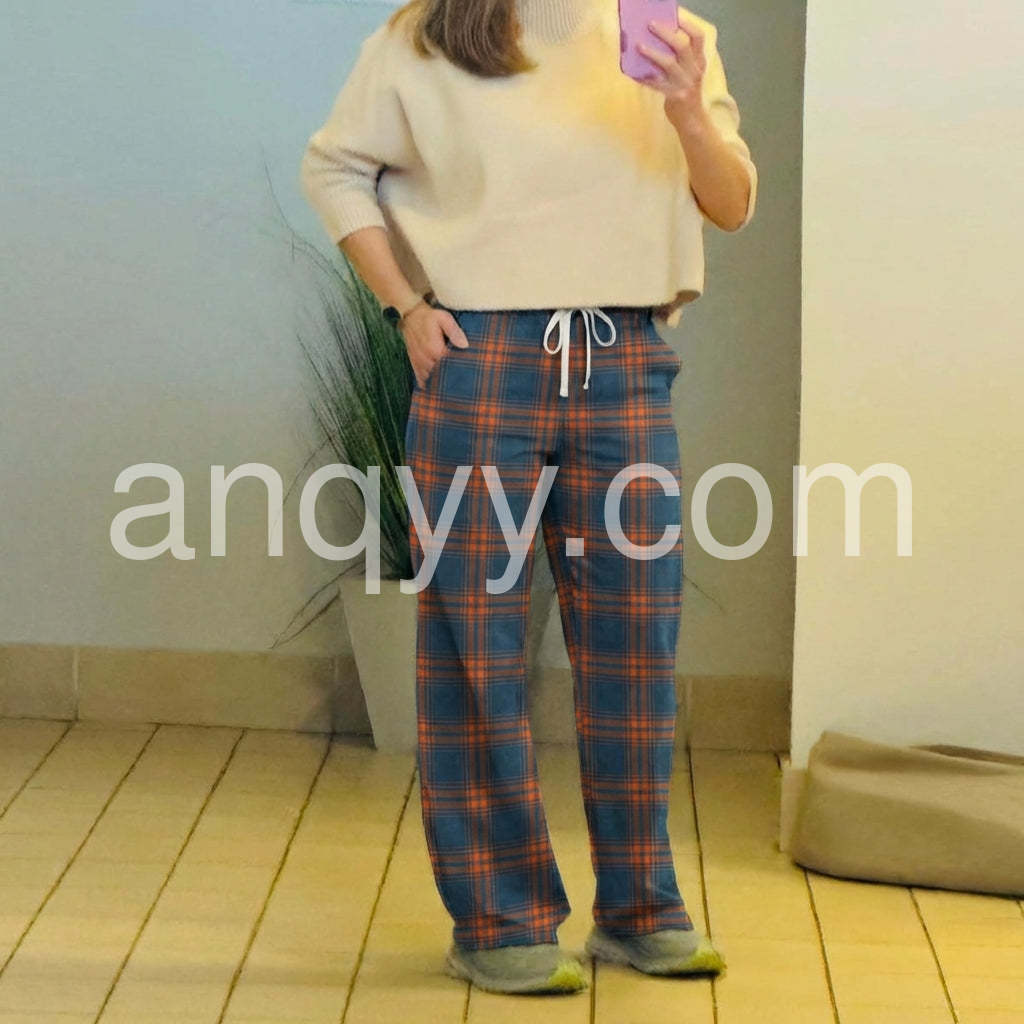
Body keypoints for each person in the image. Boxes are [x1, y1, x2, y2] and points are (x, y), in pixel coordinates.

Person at [300, 0, 757, 997]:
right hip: (480, 357)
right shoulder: (425, 34)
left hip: (623, 359)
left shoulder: (676, 36)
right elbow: (334, 166)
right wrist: (406, 307)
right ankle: (499, 920)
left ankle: (640, 909)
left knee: (636, 642)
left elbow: (730, 204)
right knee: (477, 643)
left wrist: (685, 106)